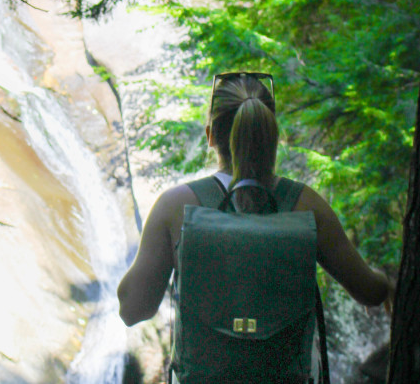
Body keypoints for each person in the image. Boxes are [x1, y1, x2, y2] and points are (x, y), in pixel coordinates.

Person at [117, 72, 395, 378]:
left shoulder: (175, 208)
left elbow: (133, 310)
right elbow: (369, 290)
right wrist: (387, 284)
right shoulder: (306, 205)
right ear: (272, 135)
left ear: (211, 136)